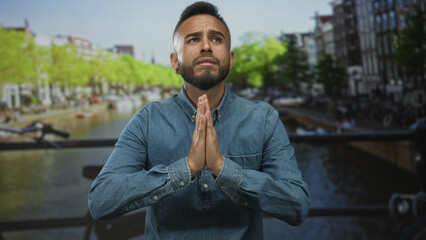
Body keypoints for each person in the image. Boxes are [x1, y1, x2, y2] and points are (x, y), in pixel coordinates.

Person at [88, 2, 310, 239]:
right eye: (193, 40)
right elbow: (101, 201)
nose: (206, 46)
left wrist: (223, 169)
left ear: (230, 59)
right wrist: (185, 169)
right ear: (175, 62)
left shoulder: (264, 119)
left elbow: (297, 206)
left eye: (216, 39)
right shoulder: (147, 120)